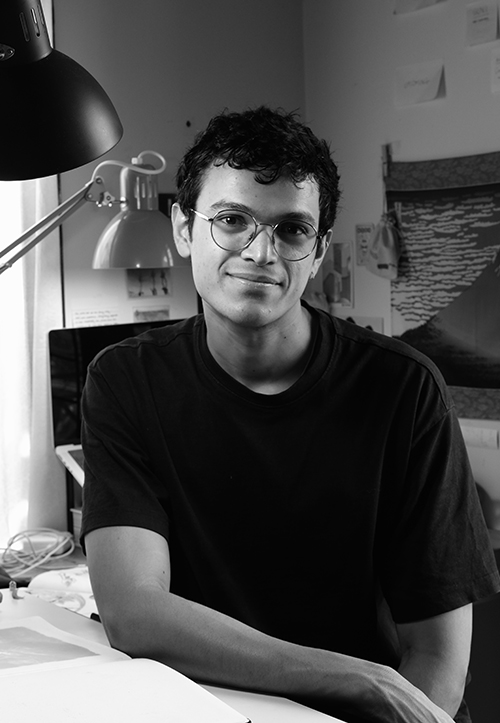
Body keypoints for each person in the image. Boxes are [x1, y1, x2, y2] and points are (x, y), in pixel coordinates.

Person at [80, 106, 500, 723]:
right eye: (231, 220)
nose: (260, 251)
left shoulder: (404, 389)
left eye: (292, 229)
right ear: (183, 228)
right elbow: (134, 612)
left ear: (319, 249)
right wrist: (356, 677)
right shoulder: (125, 380)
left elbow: (438, 662)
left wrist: (369, 695)